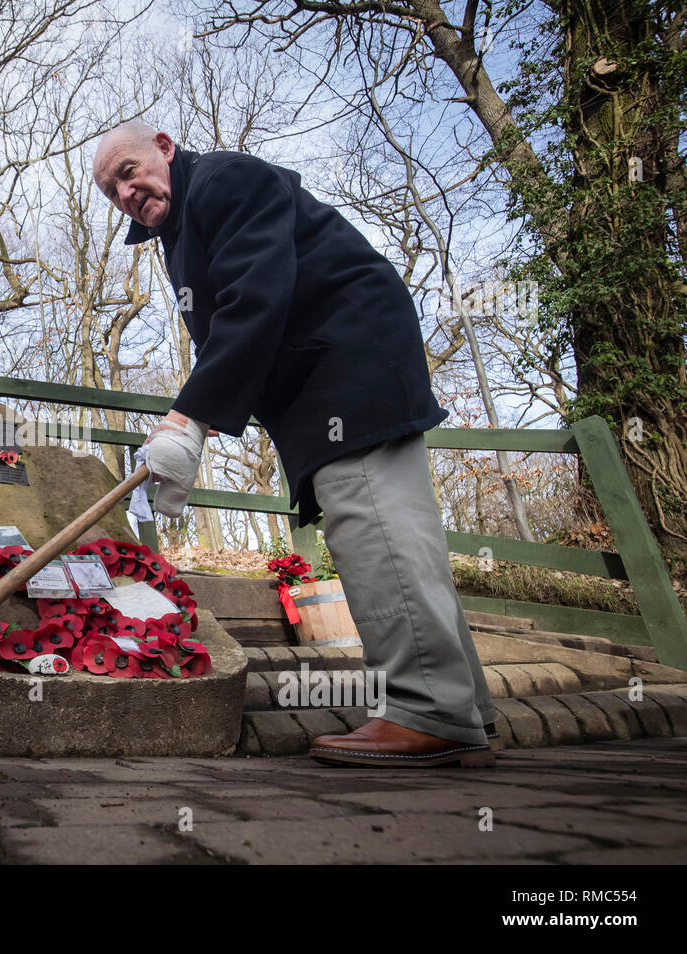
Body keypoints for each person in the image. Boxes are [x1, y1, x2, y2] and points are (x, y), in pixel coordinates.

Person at [92, 120, 498, 767]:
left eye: (129, 169)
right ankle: (459, 707)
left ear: (165, 147)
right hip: (326, 375)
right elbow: (227, 326)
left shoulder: (223, 180)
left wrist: (187, 418)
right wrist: (191, 420)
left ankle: (428, 710)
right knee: (401, 532)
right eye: (112, 189)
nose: (125, 190)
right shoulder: (180, 233)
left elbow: (255, 297)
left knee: (371, 521)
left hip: (345, 362)